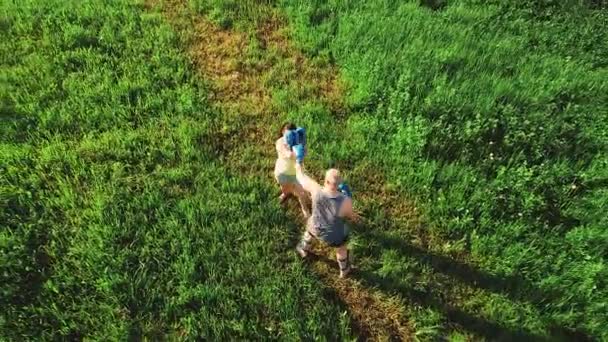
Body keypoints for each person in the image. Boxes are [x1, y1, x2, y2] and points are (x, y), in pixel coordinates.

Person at [294, 162, 358, 278]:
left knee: (309, 231)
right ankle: (344, 270)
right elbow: (351, 216)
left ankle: (302, 248)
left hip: (316, 227)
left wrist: (298, 166)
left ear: (326, 181)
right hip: (333, 236)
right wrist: (348, 198)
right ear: (339, 184)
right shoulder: (344, 201)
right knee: (341, 249)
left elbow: (302, 179)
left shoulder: (316, 190)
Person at [274, 122, 309, 217]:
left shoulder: (299, 142)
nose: (288, 138)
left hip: (296, 174)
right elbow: (289, 155)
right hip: (283, 172)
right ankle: (285, 193)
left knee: (301, 193)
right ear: (282, 133)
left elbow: (305, 153)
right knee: (284, 187)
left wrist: (303, 145)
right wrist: (297, 150)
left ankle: (304, 208)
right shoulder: (280, 143)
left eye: (291, 135)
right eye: (286, 135)